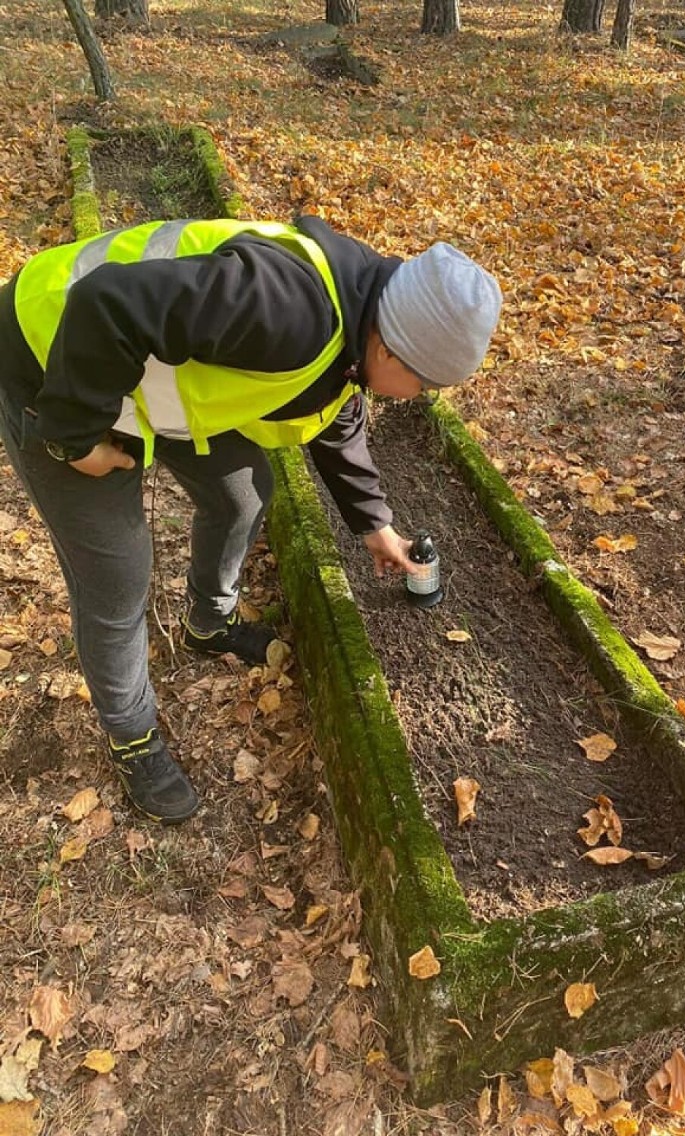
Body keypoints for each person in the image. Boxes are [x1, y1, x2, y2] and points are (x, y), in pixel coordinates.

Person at [0, 216, 502, 824]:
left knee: (243, 492)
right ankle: (132, 734)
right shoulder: (286, 308)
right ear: (391, 346)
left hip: (149, 372)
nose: (420, 395)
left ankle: (208, 625)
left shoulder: (365, 315)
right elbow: (104, 303)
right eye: (426, 383)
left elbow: (334, 409)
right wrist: (77, 438)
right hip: (55, 359)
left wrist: (375, 524)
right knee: (118, 572)